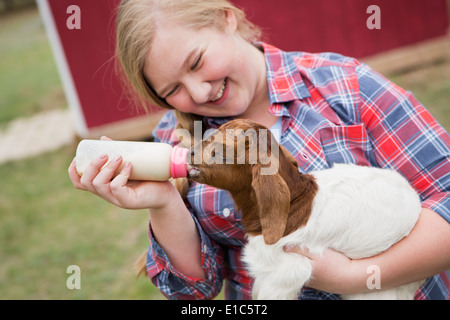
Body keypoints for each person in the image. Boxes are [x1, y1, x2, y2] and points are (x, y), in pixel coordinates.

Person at [68, 0, 450, 300]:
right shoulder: (177, 138)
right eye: (173, 91)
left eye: (197, 62)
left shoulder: (343, 87)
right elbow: (194, 292)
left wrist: (355, 278)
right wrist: (163, 202)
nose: (200, 93)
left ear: (225, 18)